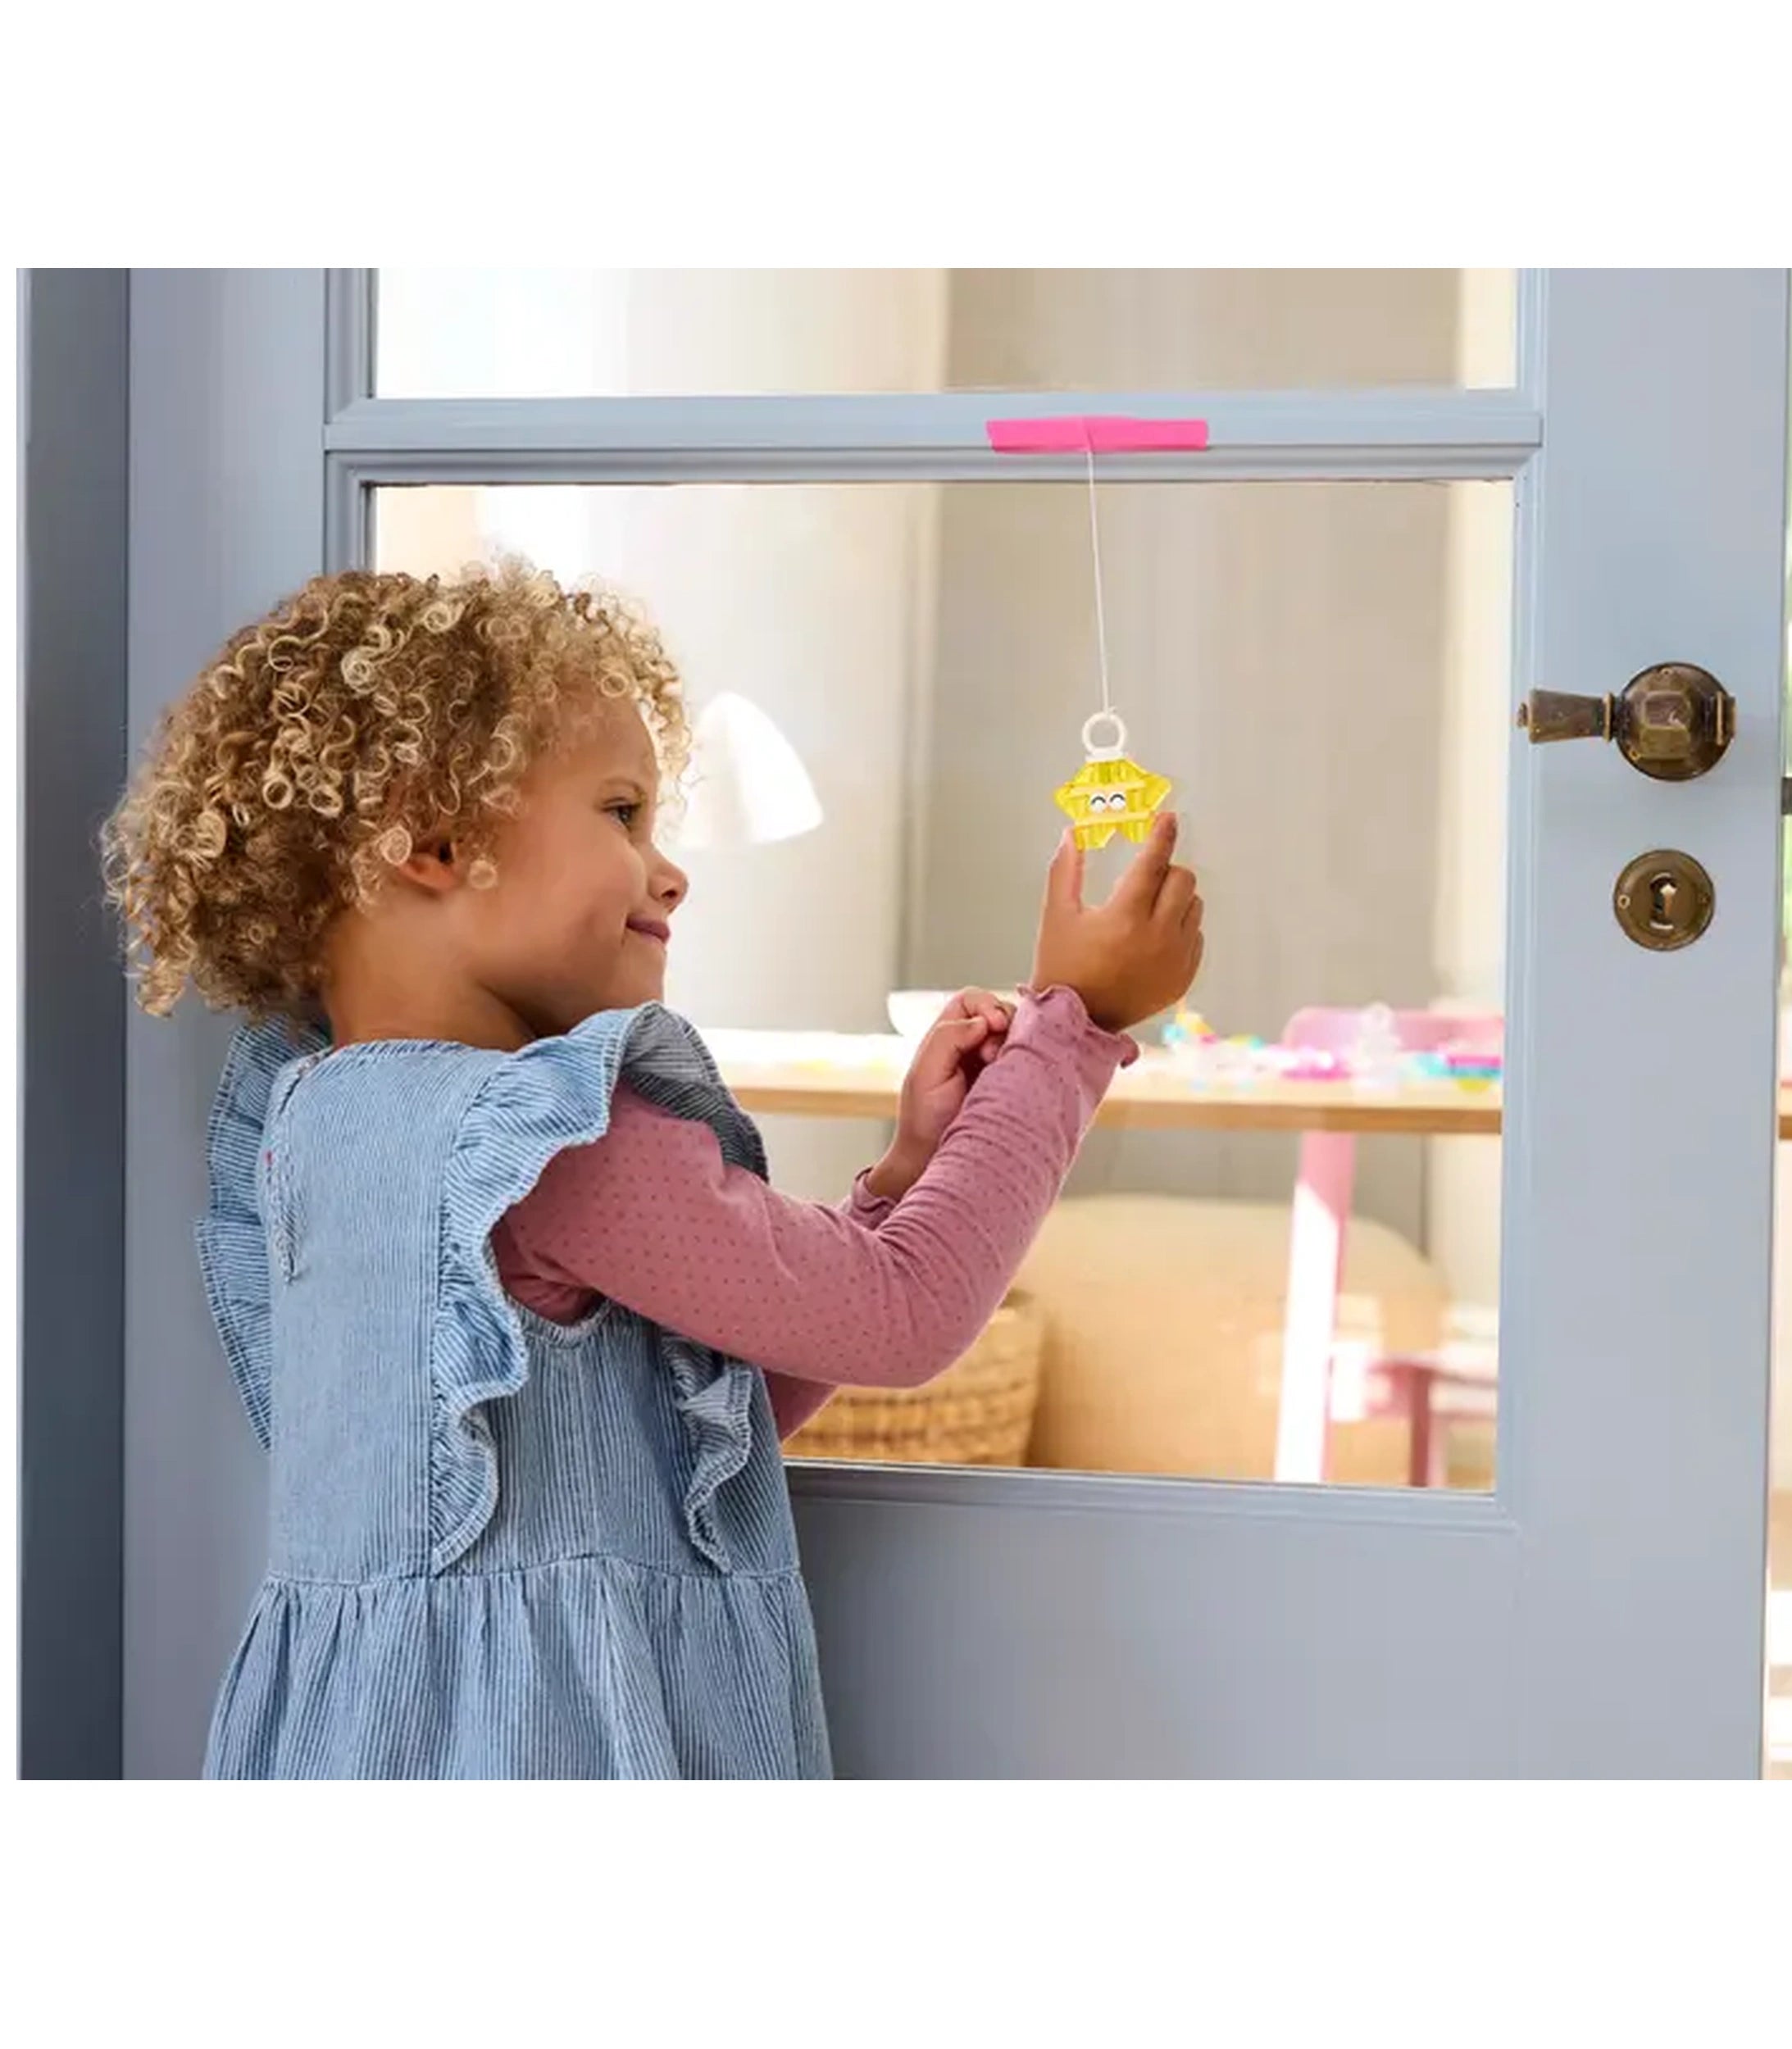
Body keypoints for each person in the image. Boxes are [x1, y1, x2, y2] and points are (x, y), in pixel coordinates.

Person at [104, 559, 1204, 1779]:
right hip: (556, 1740)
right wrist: (1074, 1026)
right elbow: (898, 1316)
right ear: (430, 835)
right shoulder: (544, 1138)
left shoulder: (313, 1117)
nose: (669, 869)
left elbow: (690, 1411)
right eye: (623, 813)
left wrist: (902, 1173)